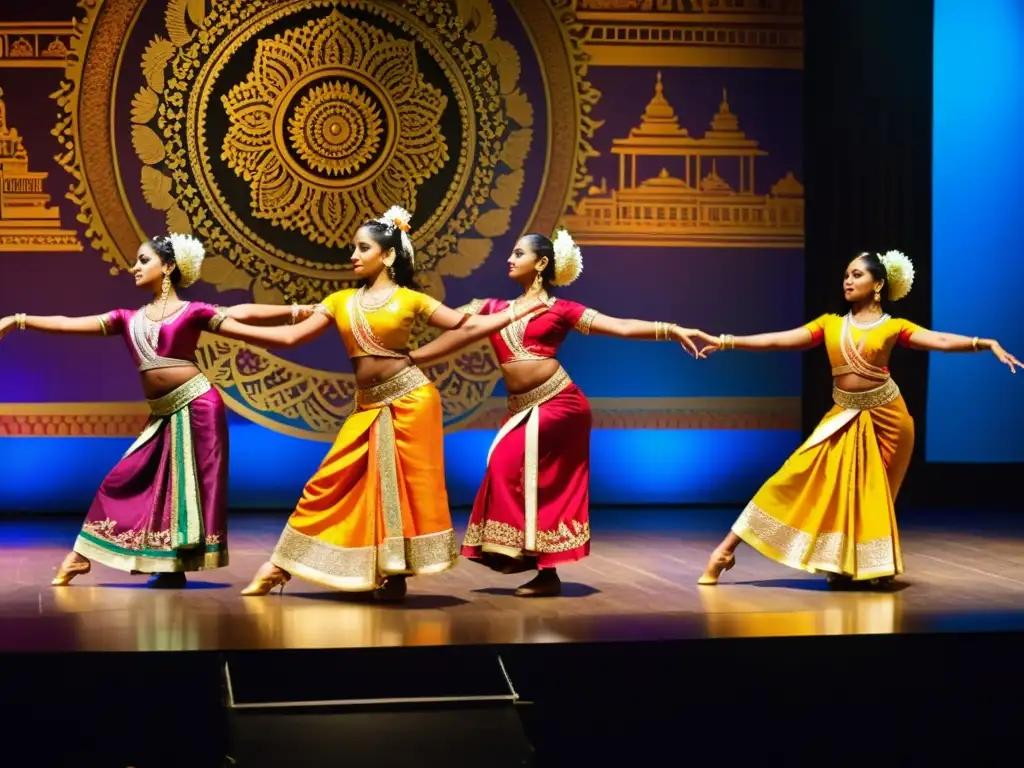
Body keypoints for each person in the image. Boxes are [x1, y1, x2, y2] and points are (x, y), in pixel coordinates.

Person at [214, 207, 548, 599]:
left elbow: (467, 326)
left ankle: (394, 573)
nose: (353, 255)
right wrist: (230, 327)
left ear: (387, 255)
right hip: (369, 404)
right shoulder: (339, 301)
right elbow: (291, 339)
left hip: (412, 400)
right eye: (354, 248)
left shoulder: (411, 300)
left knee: (401, 491)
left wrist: (515, 312)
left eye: (362, 247)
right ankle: (279, 566)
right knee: (327, 485)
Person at [408, 230, 711, 596]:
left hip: (558, 405)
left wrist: (673, 329)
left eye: (518, 253)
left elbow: (621, 327)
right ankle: (533, 564)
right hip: (522, 408)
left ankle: (538, 564)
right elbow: (441, 322)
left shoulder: (561, 310)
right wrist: (409, 343)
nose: (509, 259)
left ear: (541, 263)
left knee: (520, 470)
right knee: (507, 470)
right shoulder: (487, 308)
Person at [696, 250, 1021, 587]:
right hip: (843, 415)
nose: (847, 281)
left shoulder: (894, 327)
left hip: (889, 421)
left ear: (878, 284)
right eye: (846, 275)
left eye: (856, 275)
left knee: (868, 495)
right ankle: (724, 551)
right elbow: (779, 340)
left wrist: (983, 343)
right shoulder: (830, 324)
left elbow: (938, 340)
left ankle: (853, 565)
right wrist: (725, 341)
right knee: (791, 476)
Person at [0, 233, 306, 587]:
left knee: (184, 490)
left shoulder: (194, 312)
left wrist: (297, 320)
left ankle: (164, 566)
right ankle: (92, 556)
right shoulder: (126, 318)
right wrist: (18, 319)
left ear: (168, 266)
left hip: (198, 406)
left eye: (144, 260)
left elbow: (245, 319)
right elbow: (69, 322)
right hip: (163, 412)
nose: (135, 267)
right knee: (127, 479)